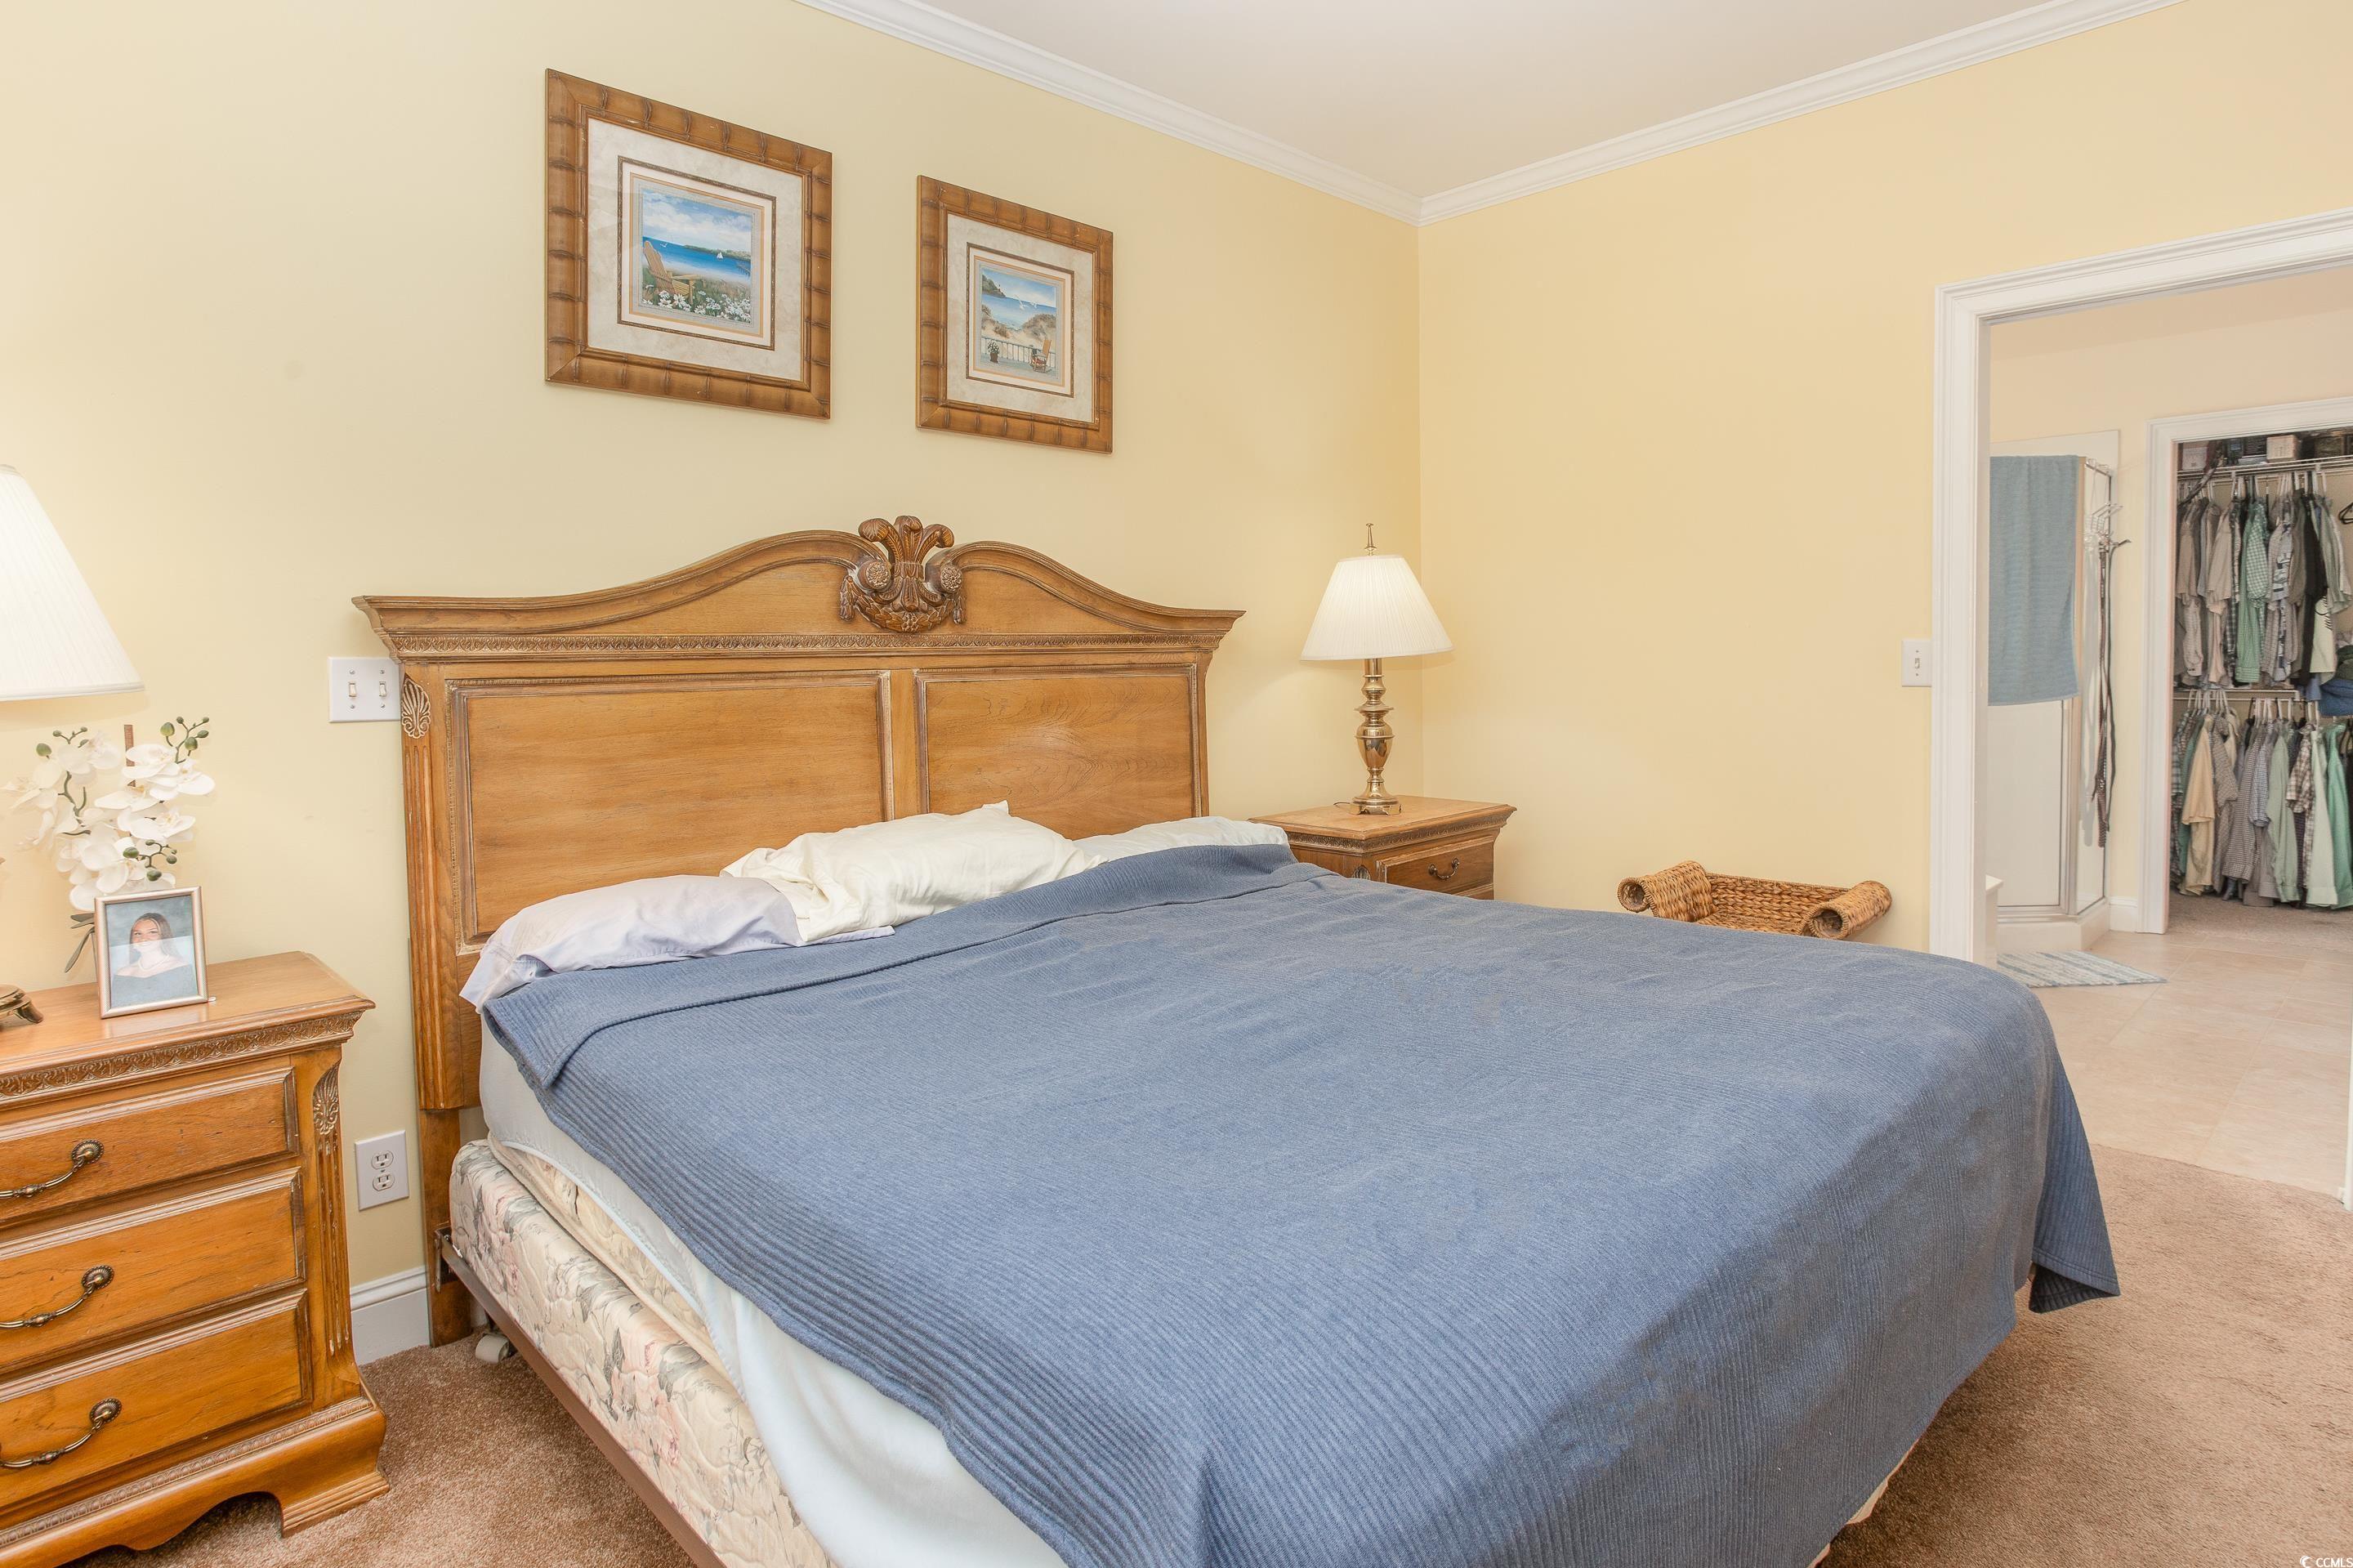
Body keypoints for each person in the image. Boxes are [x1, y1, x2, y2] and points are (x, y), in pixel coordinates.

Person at [107, 908, 198, 1010]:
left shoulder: (180, 967)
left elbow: (190, 1008)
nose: (143, 938)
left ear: (164, 936)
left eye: (152, 932)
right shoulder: (123, 973)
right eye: (138, 933)